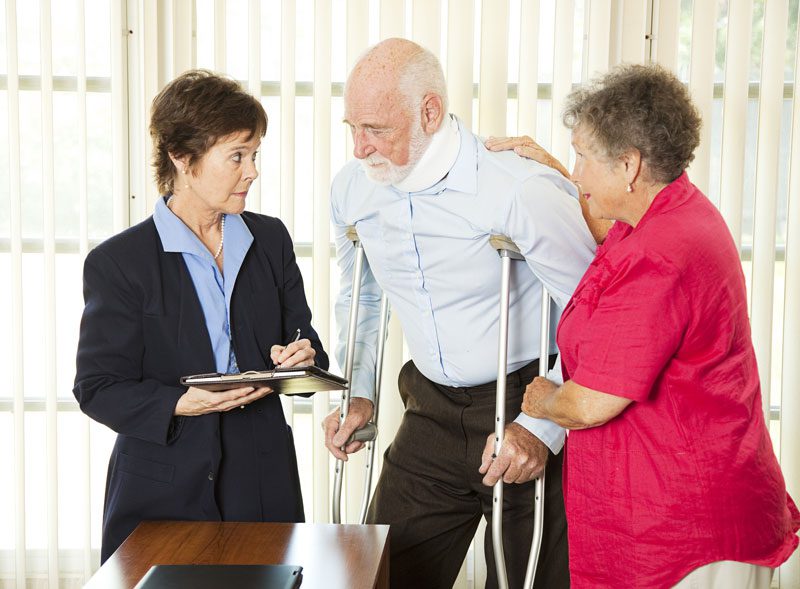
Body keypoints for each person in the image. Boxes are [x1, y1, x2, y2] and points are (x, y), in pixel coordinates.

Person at [496, 63, 800, 588]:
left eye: (584, 157)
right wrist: (551, 174)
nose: (576, 172)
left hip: (685, 531)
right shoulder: (662, 212)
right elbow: (600, 237)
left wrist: (539, 399)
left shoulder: (662, 253)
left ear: (629, 164)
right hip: (670, 513)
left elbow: (592, 403)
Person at [322, 38, 596, 588]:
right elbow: (362, 299)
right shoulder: (354, 190)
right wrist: (359, 390)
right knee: (384, 576)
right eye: (352, 126)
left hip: (523, 397)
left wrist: (542, 427)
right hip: (429, 407)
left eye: (374, 128)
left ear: (429, 111)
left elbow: (595, 312)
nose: (359, 147)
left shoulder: (519, 188)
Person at [73, 70, 328, 562]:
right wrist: (180, 404)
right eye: (237, 156)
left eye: (254, 155)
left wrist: (299, 354)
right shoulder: (119, 263)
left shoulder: (270, 239)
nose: (251, 171)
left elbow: (302, 335)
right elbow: (98, 387)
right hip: (162, 487)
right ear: (182, 158)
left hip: (263, 480)